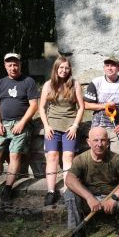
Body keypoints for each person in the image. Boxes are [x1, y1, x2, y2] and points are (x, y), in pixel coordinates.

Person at [64, 127, 119, 237]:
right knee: (69, 193)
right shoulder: (81, 159)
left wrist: (114, 197)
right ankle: (77, 231)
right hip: (89, 202)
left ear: (108, 142)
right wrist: (89, 197)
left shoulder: (115, 159)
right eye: (96, 140)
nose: (99, 144)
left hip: (111, 201)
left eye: (103, 140)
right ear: (89, 142)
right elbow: (69, 179)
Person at [0, 53, 39, 206]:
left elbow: (34, 105)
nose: (13, 68)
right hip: (2, 124)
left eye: (15, 64)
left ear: (20, 65)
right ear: (5, 66)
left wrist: (22, 123)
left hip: (21, 123)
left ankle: (7, 188)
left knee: (15, 155)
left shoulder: (28, 81)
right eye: (10, 65)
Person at [39, 56, 85, 206]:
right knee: (52, 156)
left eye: (66, 68)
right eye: (61, 68)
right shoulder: (48, 85)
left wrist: (75, 126)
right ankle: (51, 191)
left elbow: (81, 107)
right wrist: (46, 126)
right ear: (56, 69)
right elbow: (41, 107)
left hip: (69, 127)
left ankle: (67, 190)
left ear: (70, 69)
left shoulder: (75, 84)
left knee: (68, 157)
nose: (64, 70)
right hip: (52, 126)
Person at [84, 56, 119, 160]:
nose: (110, 68)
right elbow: (86, 105)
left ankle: (118, 174)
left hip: (117, 123)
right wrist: (105, 105)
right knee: (97, 152)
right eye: (107, 65)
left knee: (118, 155)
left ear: (118, 68)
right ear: (104, 68)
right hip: (99, 122)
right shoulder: (96, 82)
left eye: (113, 65)